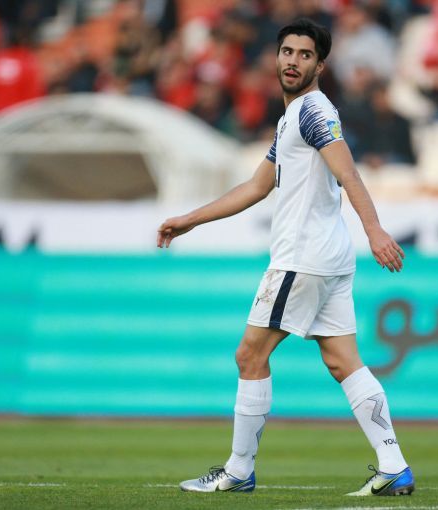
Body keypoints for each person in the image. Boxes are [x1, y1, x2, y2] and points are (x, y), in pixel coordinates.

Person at [157, 18, 414, 497]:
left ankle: (238, 471)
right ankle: (394, 466)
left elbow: (349, 173)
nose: (293, 61)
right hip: (328, 258)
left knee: (249, 354)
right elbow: (257, 186)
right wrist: (192, 219)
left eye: (305, 55)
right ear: (276, 57)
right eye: (287, 52)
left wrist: (375, 229)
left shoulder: (312, 112)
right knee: (343, 361)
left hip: (303, 257)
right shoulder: (292, 117)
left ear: (320, 65)